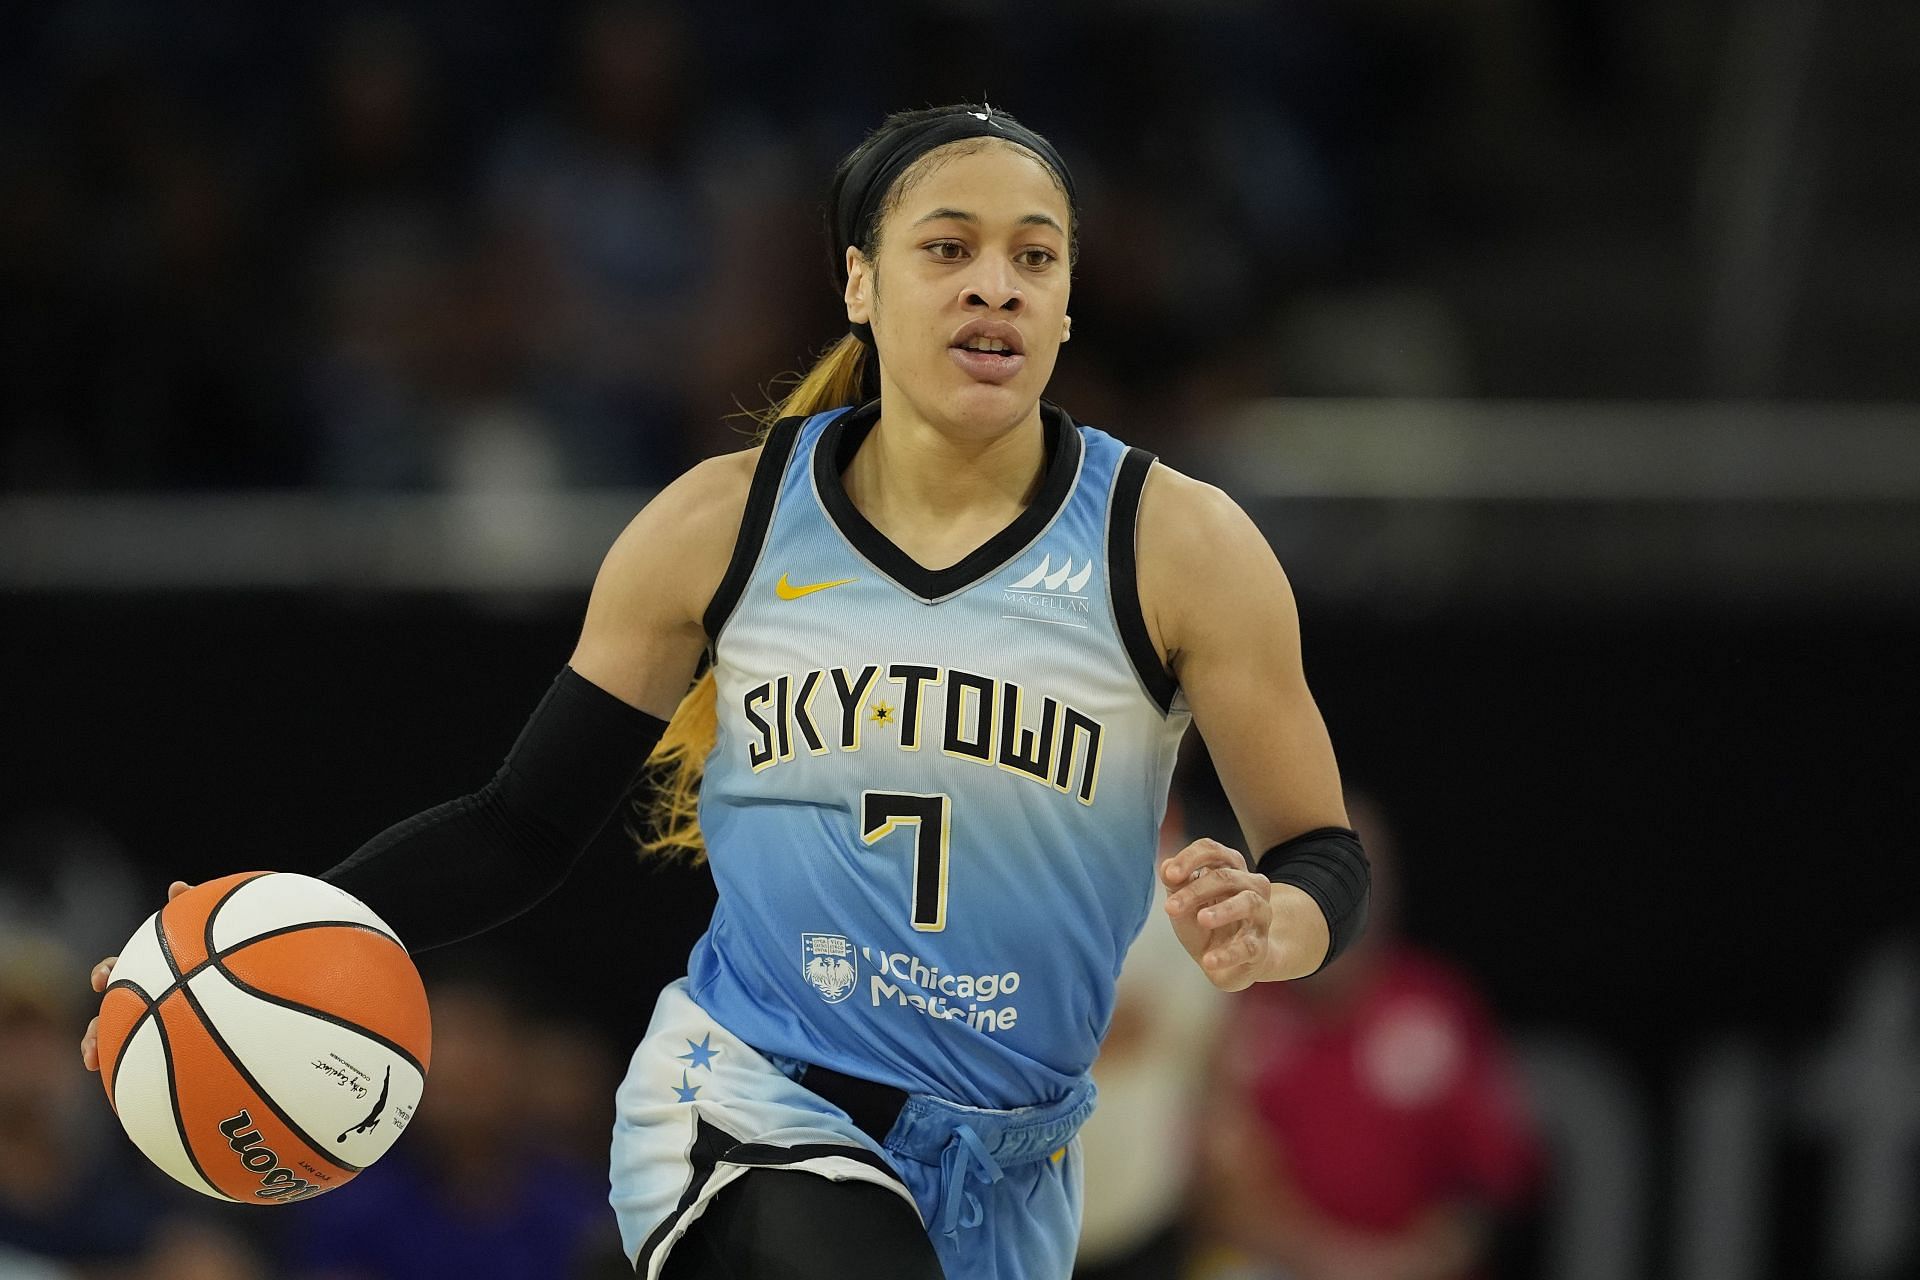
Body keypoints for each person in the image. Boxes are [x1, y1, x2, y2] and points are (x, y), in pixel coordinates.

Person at [81, 103, 1371, 1280]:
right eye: (949, 247)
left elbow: (1317, 852)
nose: (996, 283)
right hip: (750, 1104)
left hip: (1010, 1172)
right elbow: (521, 827)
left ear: (1071, 301)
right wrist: (245, 943)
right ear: (859, 281)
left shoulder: (1179, 546)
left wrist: (1284, 926)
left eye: (1036, 256)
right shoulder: (724, 522)